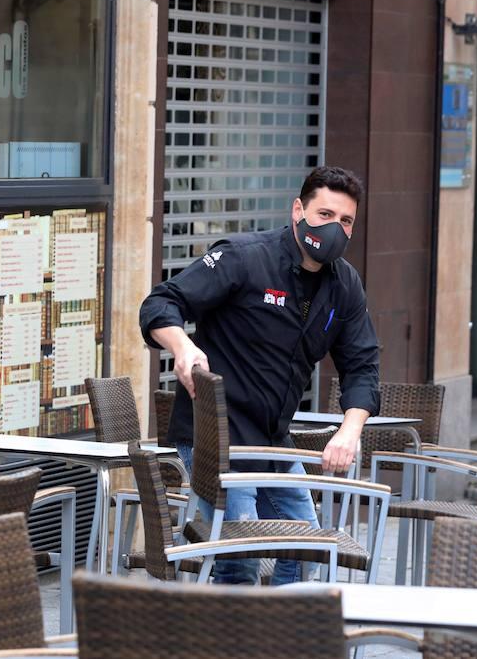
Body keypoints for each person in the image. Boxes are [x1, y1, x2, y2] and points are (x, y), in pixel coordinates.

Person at [139, 165, 380, 585]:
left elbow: (362, 363)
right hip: (216, 437)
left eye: (346, 222)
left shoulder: (345, 286)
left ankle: (277, 637)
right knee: (241, 555)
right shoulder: (244, 256)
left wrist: (350, 429)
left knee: (308, 550)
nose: (335, 229)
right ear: (297, 210)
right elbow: (162, 302)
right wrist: (183, 346)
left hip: (272, 442)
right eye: (325, 216)